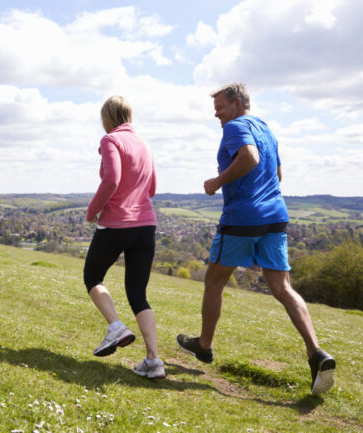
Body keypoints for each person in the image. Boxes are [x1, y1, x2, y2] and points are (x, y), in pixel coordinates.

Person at [176, 83, 336, 395]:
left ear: (237, 103)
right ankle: (316, 353)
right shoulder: (266, 129)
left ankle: (204, 346)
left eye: (220, 108)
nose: (217, 115)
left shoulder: (236, 126)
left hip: (242, 218)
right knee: (283, 287)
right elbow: (276, 175)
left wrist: (217, 182)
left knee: (214, 280)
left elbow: (248, 157)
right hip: (275, 216)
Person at [83, 95, 164, 379]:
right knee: (138, 293)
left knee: (93, 277)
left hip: (117, 224)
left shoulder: (110, 141)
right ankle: (154, 361)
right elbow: (151, 187)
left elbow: (113, 179)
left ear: (107, 118)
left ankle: (115, 327)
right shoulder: (144, 143)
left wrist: (93, 211)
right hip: (146, 226)